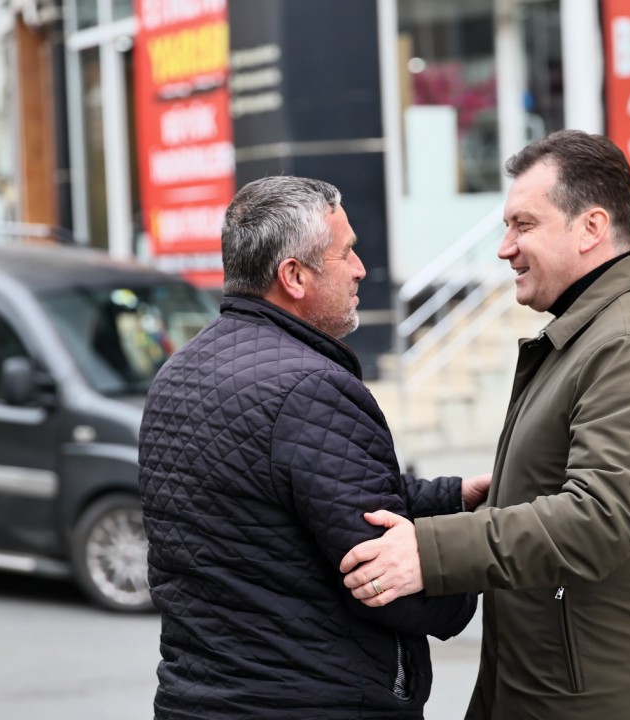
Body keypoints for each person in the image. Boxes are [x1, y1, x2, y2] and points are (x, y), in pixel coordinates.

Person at [340, 130, 630, 719]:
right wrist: (487, 495)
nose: (506, 248)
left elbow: (597, 519)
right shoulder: (591, 333)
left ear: (591, 227)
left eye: (523, 225)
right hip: (556, 688)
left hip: (615, 699)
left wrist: (428, 552)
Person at [138, 176, 484, 720]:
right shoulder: (311, 389)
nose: (360, 269)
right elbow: (384, 580)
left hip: (196, 700)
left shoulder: (178, 372)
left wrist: (451, 497)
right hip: (315, 702)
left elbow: (298, 498)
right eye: (345, 253)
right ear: (294, 276)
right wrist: (476, 560)